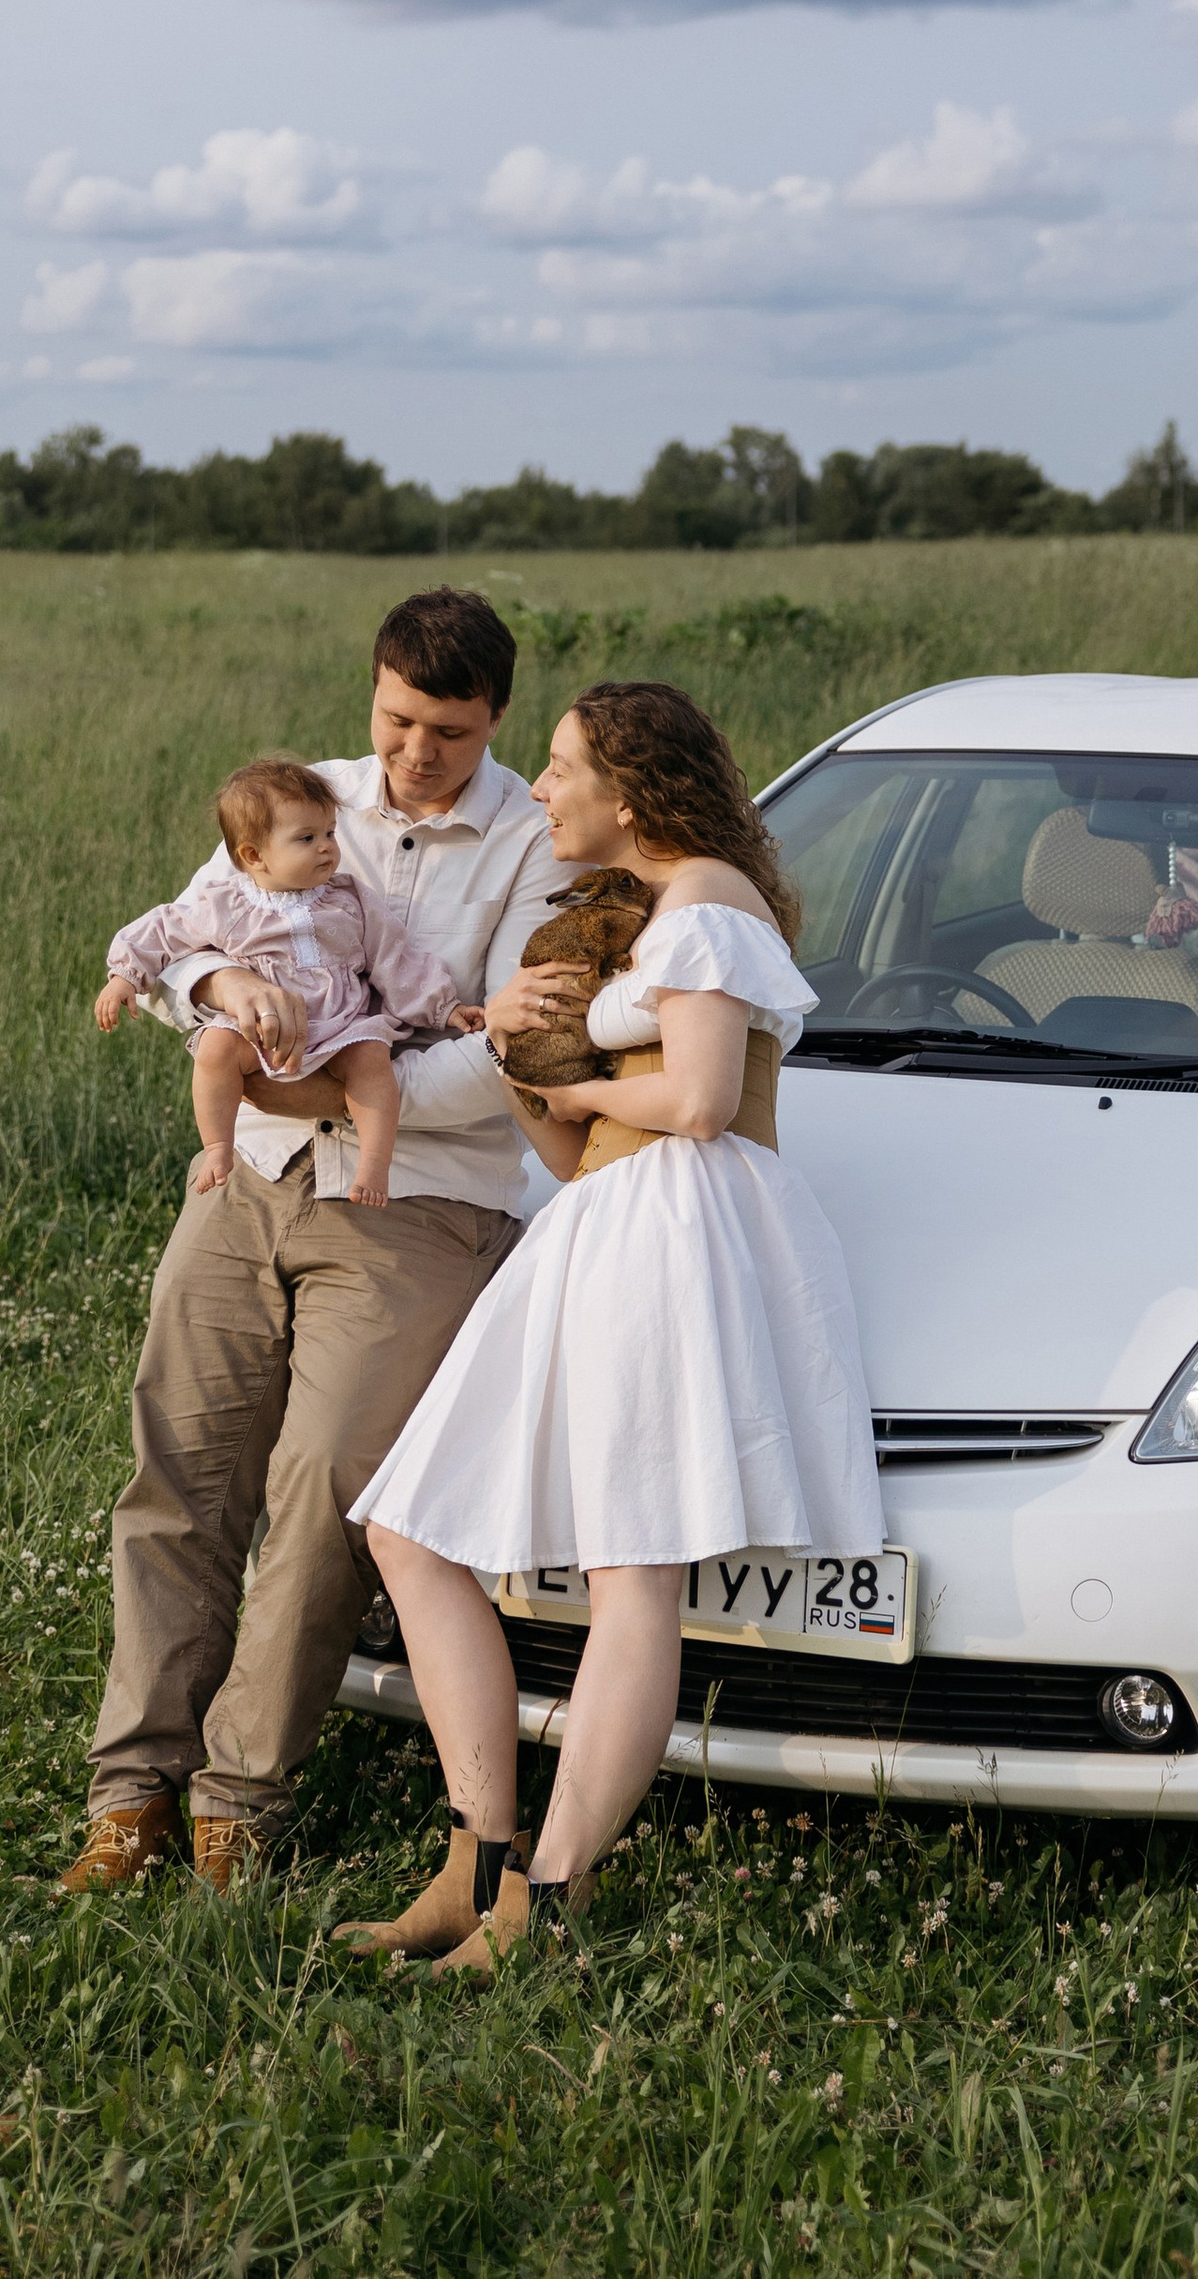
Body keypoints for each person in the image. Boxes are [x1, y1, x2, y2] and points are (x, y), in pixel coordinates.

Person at [344, 678, 884, 1975]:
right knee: (406, 1526)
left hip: (674, 1224)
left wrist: (576, 1057)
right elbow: (572, 1135)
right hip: (599, 1214)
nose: (542, 787)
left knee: (632, 1571)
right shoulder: (634, 920)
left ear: (631, 792)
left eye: (563, 765)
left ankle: (552, 1892)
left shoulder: (709, 901)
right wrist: (518, 1048)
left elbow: (698, 1095)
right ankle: (478, 1859)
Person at [62, 589, 567, 1898]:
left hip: (425, 1203)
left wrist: (296, 1081)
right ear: (375, 691)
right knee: (179, 1466)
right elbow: (180, 947)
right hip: (255, 1180)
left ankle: (239, 1799)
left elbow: (497, 1059)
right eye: (397, 720)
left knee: (325, 1484)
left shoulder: (533, 845)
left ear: (493, 720)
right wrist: (217, 990)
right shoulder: (304, 796)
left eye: (448, 734)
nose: (413, 757)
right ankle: (132, 1792)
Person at [98, 757, 469, 1207]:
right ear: (254, 856)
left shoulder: (349, 899)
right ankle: (217, 1145)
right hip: (261, 1030)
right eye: (307, 839)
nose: (327, 848)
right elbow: (164, 928)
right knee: (215, 1049)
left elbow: (395, 957)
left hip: (341, 1021)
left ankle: (374, 1162)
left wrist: (443, 1007)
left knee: (372, 1062)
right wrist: (125, 974)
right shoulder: (228, 904)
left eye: (330, 833)